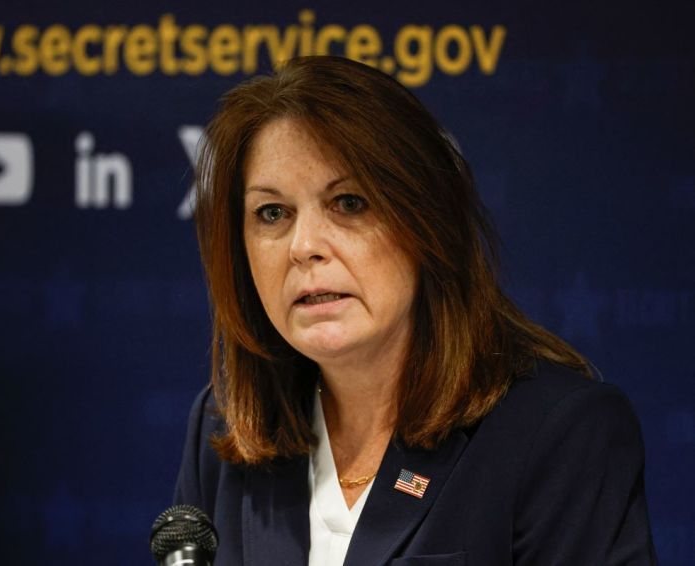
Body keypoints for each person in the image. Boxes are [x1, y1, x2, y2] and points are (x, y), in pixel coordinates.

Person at [173, 56, 656, 565]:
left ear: (426, 222)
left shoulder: (560, 436)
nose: (305, 245)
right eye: (273, 213)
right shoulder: (227, 429)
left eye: (349, 203)